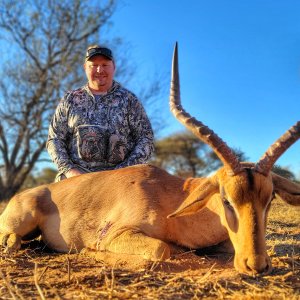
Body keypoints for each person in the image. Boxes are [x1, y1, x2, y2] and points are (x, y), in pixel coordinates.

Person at [47, 45, 154, 181]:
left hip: (121, 180)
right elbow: (54, 139)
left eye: (105, 64)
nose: (99, 70)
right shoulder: (70, 100)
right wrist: (70, 170)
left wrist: (125, 170)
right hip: (76, 179)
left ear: (113, 67)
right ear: (85, 67)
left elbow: (146, 138)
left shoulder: (129, 100)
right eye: (94, 65)